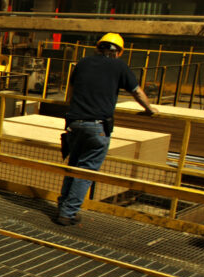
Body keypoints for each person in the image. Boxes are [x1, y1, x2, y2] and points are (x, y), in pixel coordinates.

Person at [56, 32, 158, 225]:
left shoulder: (83, 63)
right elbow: (136, 91)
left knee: (73, 167)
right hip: (97, 126)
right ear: (119, 52)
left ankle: (64, 207)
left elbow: (69, 95)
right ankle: (67, 213)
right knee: (85, 172)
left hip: (74, 124)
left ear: (98, 47)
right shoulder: (119, 66)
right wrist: (150, 109)